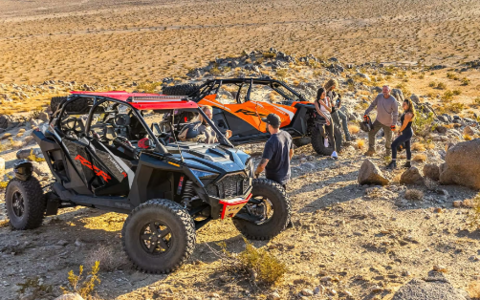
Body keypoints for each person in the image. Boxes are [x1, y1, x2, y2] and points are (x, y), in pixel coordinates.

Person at [254, 113, 293, 189]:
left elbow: (262, 165)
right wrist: (284, 164)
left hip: (274, 179)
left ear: (269, 125)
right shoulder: (287, 135)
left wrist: (256, 173)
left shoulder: (271, 142)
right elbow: (291, 152)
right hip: (286, 175)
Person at [363, 85, 399, 157]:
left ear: (389, 91)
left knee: (388, 140)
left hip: (388, 124)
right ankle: (371, 150)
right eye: (383, 90)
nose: (384, 91)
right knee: (371, 133)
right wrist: (366, 112)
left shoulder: (393, 101)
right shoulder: (379, 96)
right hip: (378, 121)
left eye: (386, 90)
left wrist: (394, 124)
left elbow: (396, 113)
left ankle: (388, 154)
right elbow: (373, 105)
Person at [387, 99, 416, 169]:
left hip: (407, 132)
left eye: (404, 104)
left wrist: (399, 131)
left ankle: (393, 162)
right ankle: (408, 163)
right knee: (407, 147)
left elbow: (404, 125)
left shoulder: (408, 114)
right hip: (407, 131)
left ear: (408, 105)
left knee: (393, 145)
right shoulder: (407, 112)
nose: (403, 105)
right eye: (403, 104)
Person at [314, 87, 338, 159]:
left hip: (328, 116)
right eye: (323, 94)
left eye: (325, 94)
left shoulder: (327, 99)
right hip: (321, 118)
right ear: (320, 94)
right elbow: (318, 111)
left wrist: (324, 104)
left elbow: (330, 110)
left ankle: (334, 152)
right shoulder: (316, 101)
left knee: (332, 135)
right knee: (321, 130)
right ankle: (325, 137)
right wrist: (325, 117)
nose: (324, 95)